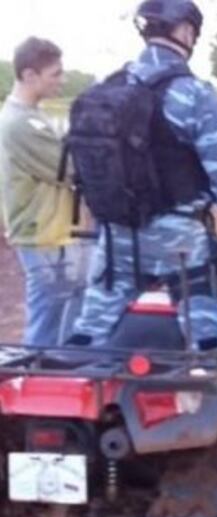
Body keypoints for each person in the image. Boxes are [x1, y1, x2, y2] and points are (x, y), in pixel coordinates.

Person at [67, 0, 217, 355]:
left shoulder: (108, 88)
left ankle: (71, 390)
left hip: (115, 235)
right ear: (184, 31)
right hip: (179, 243)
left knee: (88, 336)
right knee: (209, 341)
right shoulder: (193, 94)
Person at [0, 37, 87, 346]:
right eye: (55, 74)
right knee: (48, 329)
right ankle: (35, 387)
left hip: (53, 235)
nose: (61, 81)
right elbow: (74, 169)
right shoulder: (20, 124)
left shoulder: (33, 117)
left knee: (63, 321)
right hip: (44, 237)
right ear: (28, 75)